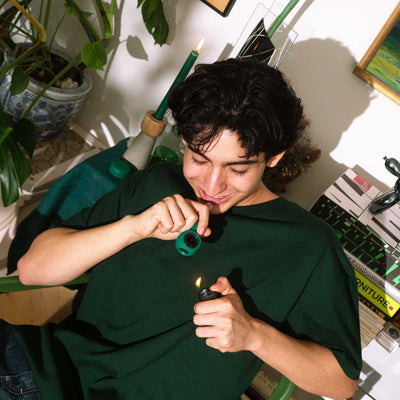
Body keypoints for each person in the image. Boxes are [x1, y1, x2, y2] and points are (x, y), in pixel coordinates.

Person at [3, 59, 361, 400]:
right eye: (198, 159)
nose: (212, 185)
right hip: (36, 373)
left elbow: (342, 383)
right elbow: (33, 271)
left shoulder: (307, 246)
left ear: (275, 156)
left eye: (237, 169)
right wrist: (134, 228)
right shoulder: (157, 185)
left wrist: (253, 335)